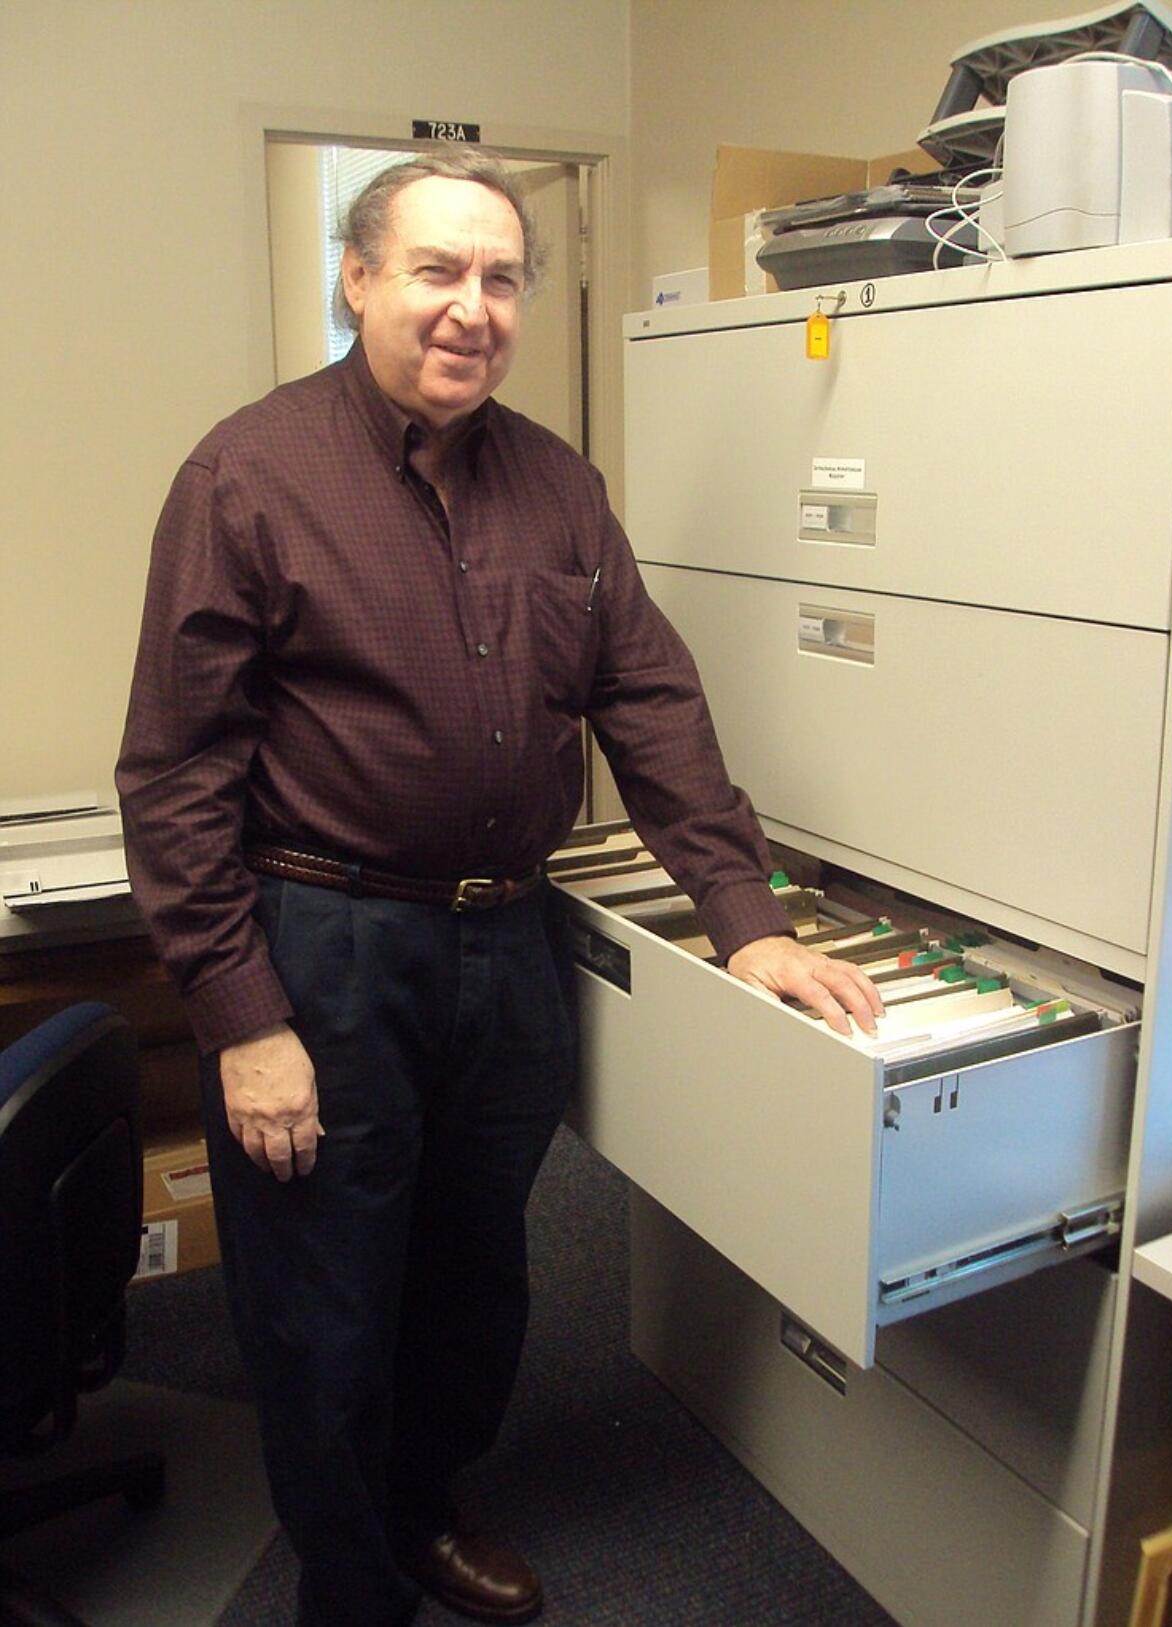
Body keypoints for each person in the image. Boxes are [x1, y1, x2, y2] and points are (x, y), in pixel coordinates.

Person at [116, 149, 882, 1627]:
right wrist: (238, 1015)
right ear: (357, 281)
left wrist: (750, 918)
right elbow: (176, 767)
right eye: (434, 271)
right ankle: (349, 1585)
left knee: (474, 1272)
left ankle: (424, 1508)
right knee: (326, 1292)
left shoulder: (557, 486)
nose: (471, 309)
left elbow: (648, 702)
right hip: (322, 944)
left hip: (505, 943)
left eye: (499, 278)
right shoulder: (249, 475)